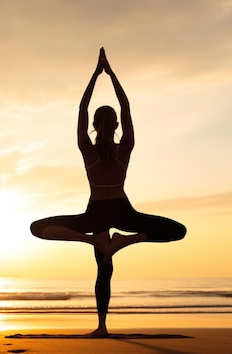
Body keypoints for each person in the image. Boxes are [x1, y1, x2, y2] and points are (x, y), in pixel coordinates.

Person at [30, 48, 186, 336]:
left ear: (93, 126)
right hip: (122, 210)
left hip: (95, 214)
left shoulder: (87, 150)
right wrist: (111, 75)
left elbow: (81, 109)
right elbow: (126, 108)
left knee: (38, 229)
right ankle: (122, 241)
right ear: (115, 125)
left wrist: (94, 76)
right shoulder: (124, 149)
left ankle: (96, 244)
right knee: (177, 231)